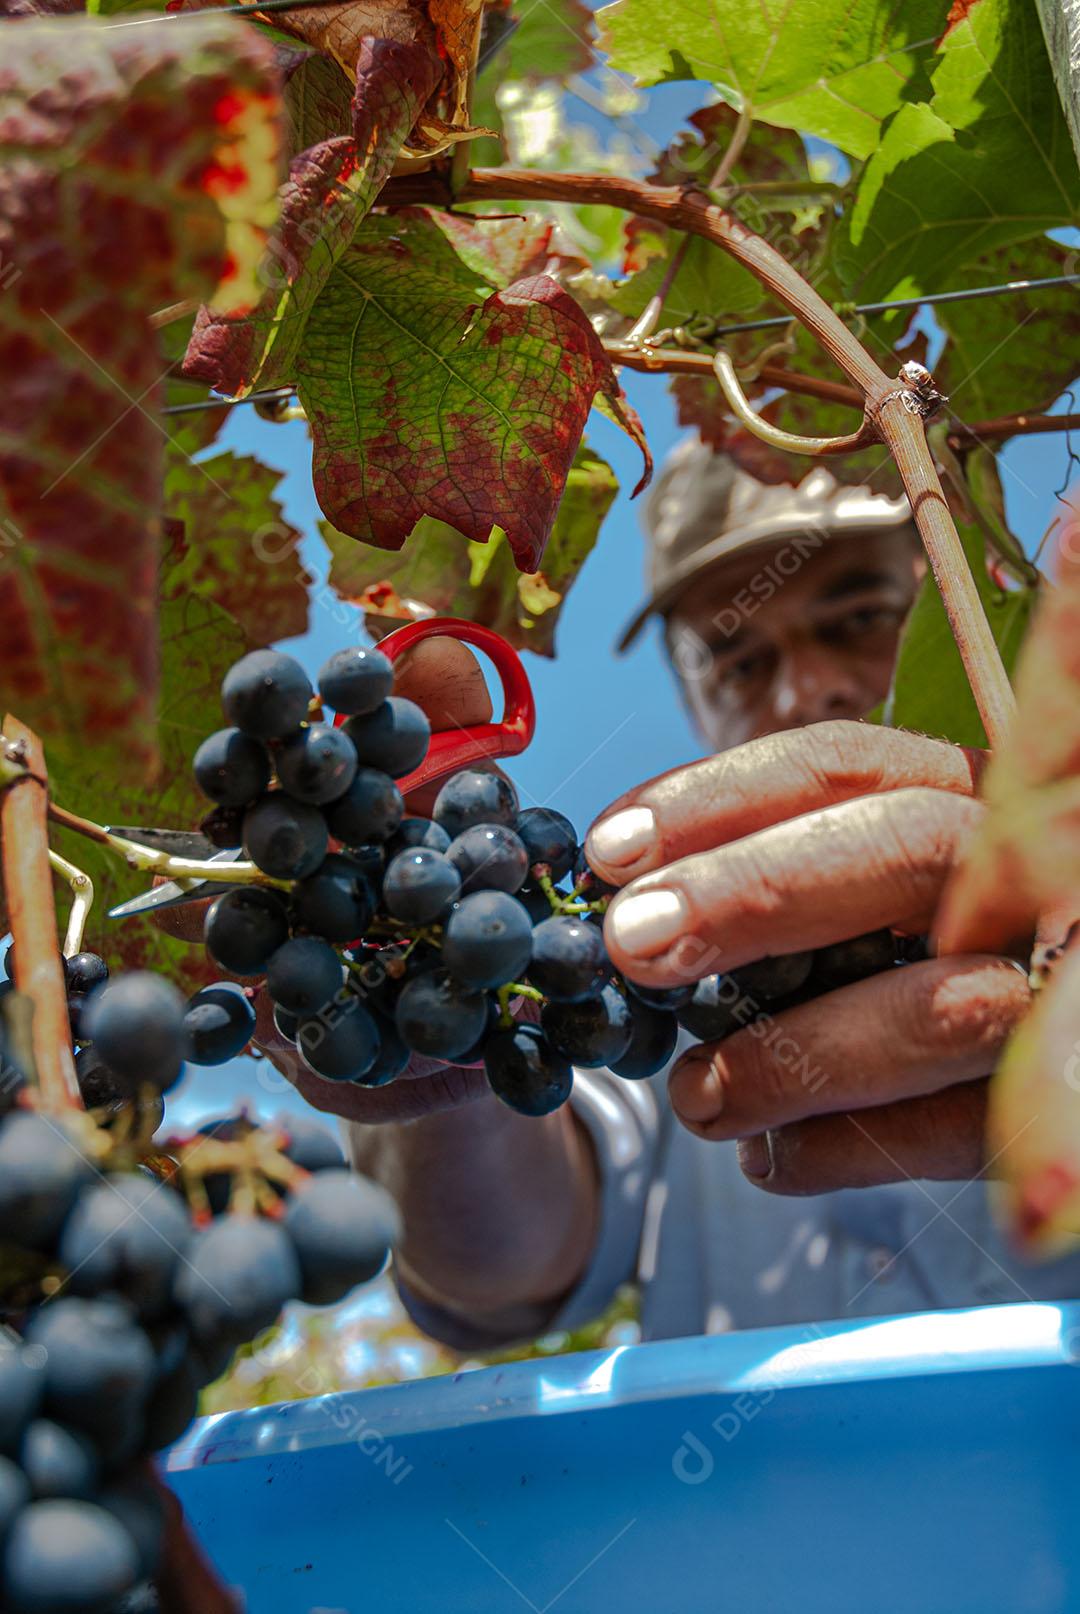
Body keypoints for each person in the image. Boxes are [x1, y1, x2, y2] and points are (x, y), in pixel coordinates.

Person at [258, 435, 1080, 1348]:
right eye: (739, 661)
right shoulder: (657, 966)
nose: (806, 691)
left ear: (972, 607)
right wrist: (445, 1016)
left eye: (857, 618)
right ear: (693, 704)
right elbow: (499, 1273)